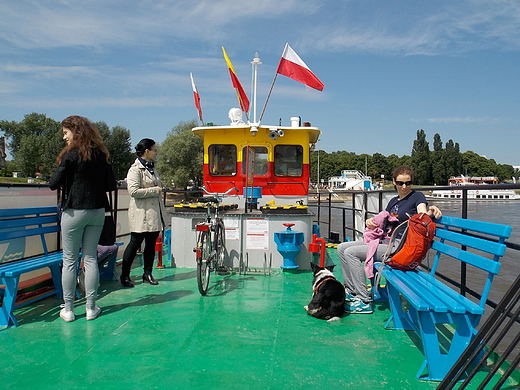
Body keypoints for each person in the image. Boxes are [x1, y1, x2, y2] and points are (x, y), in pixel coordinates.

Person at [337, 165, 442, 314]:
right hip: (385, 240)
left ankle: (364, 300)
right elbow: (384, 221)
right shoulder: (393, 201)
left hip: (399, 246)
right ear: (394, 182)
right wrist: (370, 221)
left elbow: (422, 216)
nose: (404, 186)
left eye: (408, 183)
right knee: (342, 248)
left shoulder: (417, 197)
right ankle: (352, 291)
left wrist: (431, 211)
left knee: (351, 253)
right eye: (400, 183)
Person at [49, 115, 116, 322]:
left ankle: (68, 309)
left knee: (69, 260)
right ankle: (91, 307)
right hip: (96, 212)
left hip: (74, 212)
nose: (64, 137)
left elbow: (54, 183)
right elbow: (111, 185)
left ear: (75, 132)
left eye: (65, 133)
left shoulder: (71, 155)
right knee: (90, 259)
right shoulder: (100, 155)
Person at [120, 138, 167, 287]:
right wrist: (155, 190)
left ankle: (147, 273)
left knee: (151, 244)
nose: (156, 152)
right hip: (141, 214)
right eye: (154, 149)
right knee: (135, 243)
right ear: (147, 151)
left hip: (153, 213)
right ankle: (125, 275)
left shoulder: (152, 168)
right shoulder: (135, 169)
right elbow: (133, 191)